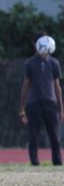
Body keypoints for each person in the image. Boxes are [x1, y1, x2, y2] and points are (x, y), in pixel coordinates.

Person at [19, 34, 63, 166]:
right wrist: (21, 108)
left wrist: (61, 109)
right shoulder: (30, 63)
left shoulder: (54, 63)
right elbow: (26, 85)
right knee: (33, 136)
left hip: (51, 104)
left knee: (55, 136)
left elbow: (57, 87)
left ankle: (57, 162)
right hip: (34, 104)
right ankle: (34, 162)